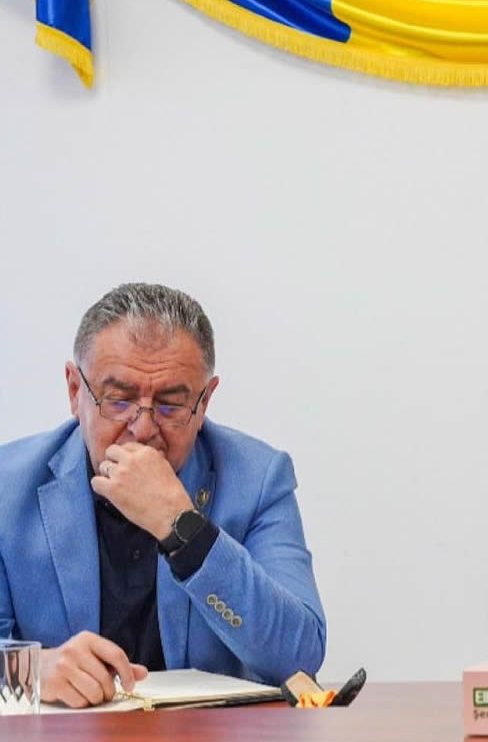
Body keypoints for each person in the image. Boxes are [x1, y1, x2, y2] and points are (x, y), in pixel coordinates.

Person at [0, 283, 326, 708]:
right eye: (118, 400)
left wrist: (183, 528)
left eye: (171, 405)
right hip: (66, 740)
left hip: (207, 741)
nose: (142, 428)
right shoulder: (8, 486)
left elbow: (299, 658)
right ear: (75, 391)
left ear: (204, 402)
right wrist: (34, 669)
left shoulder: (259, 479)